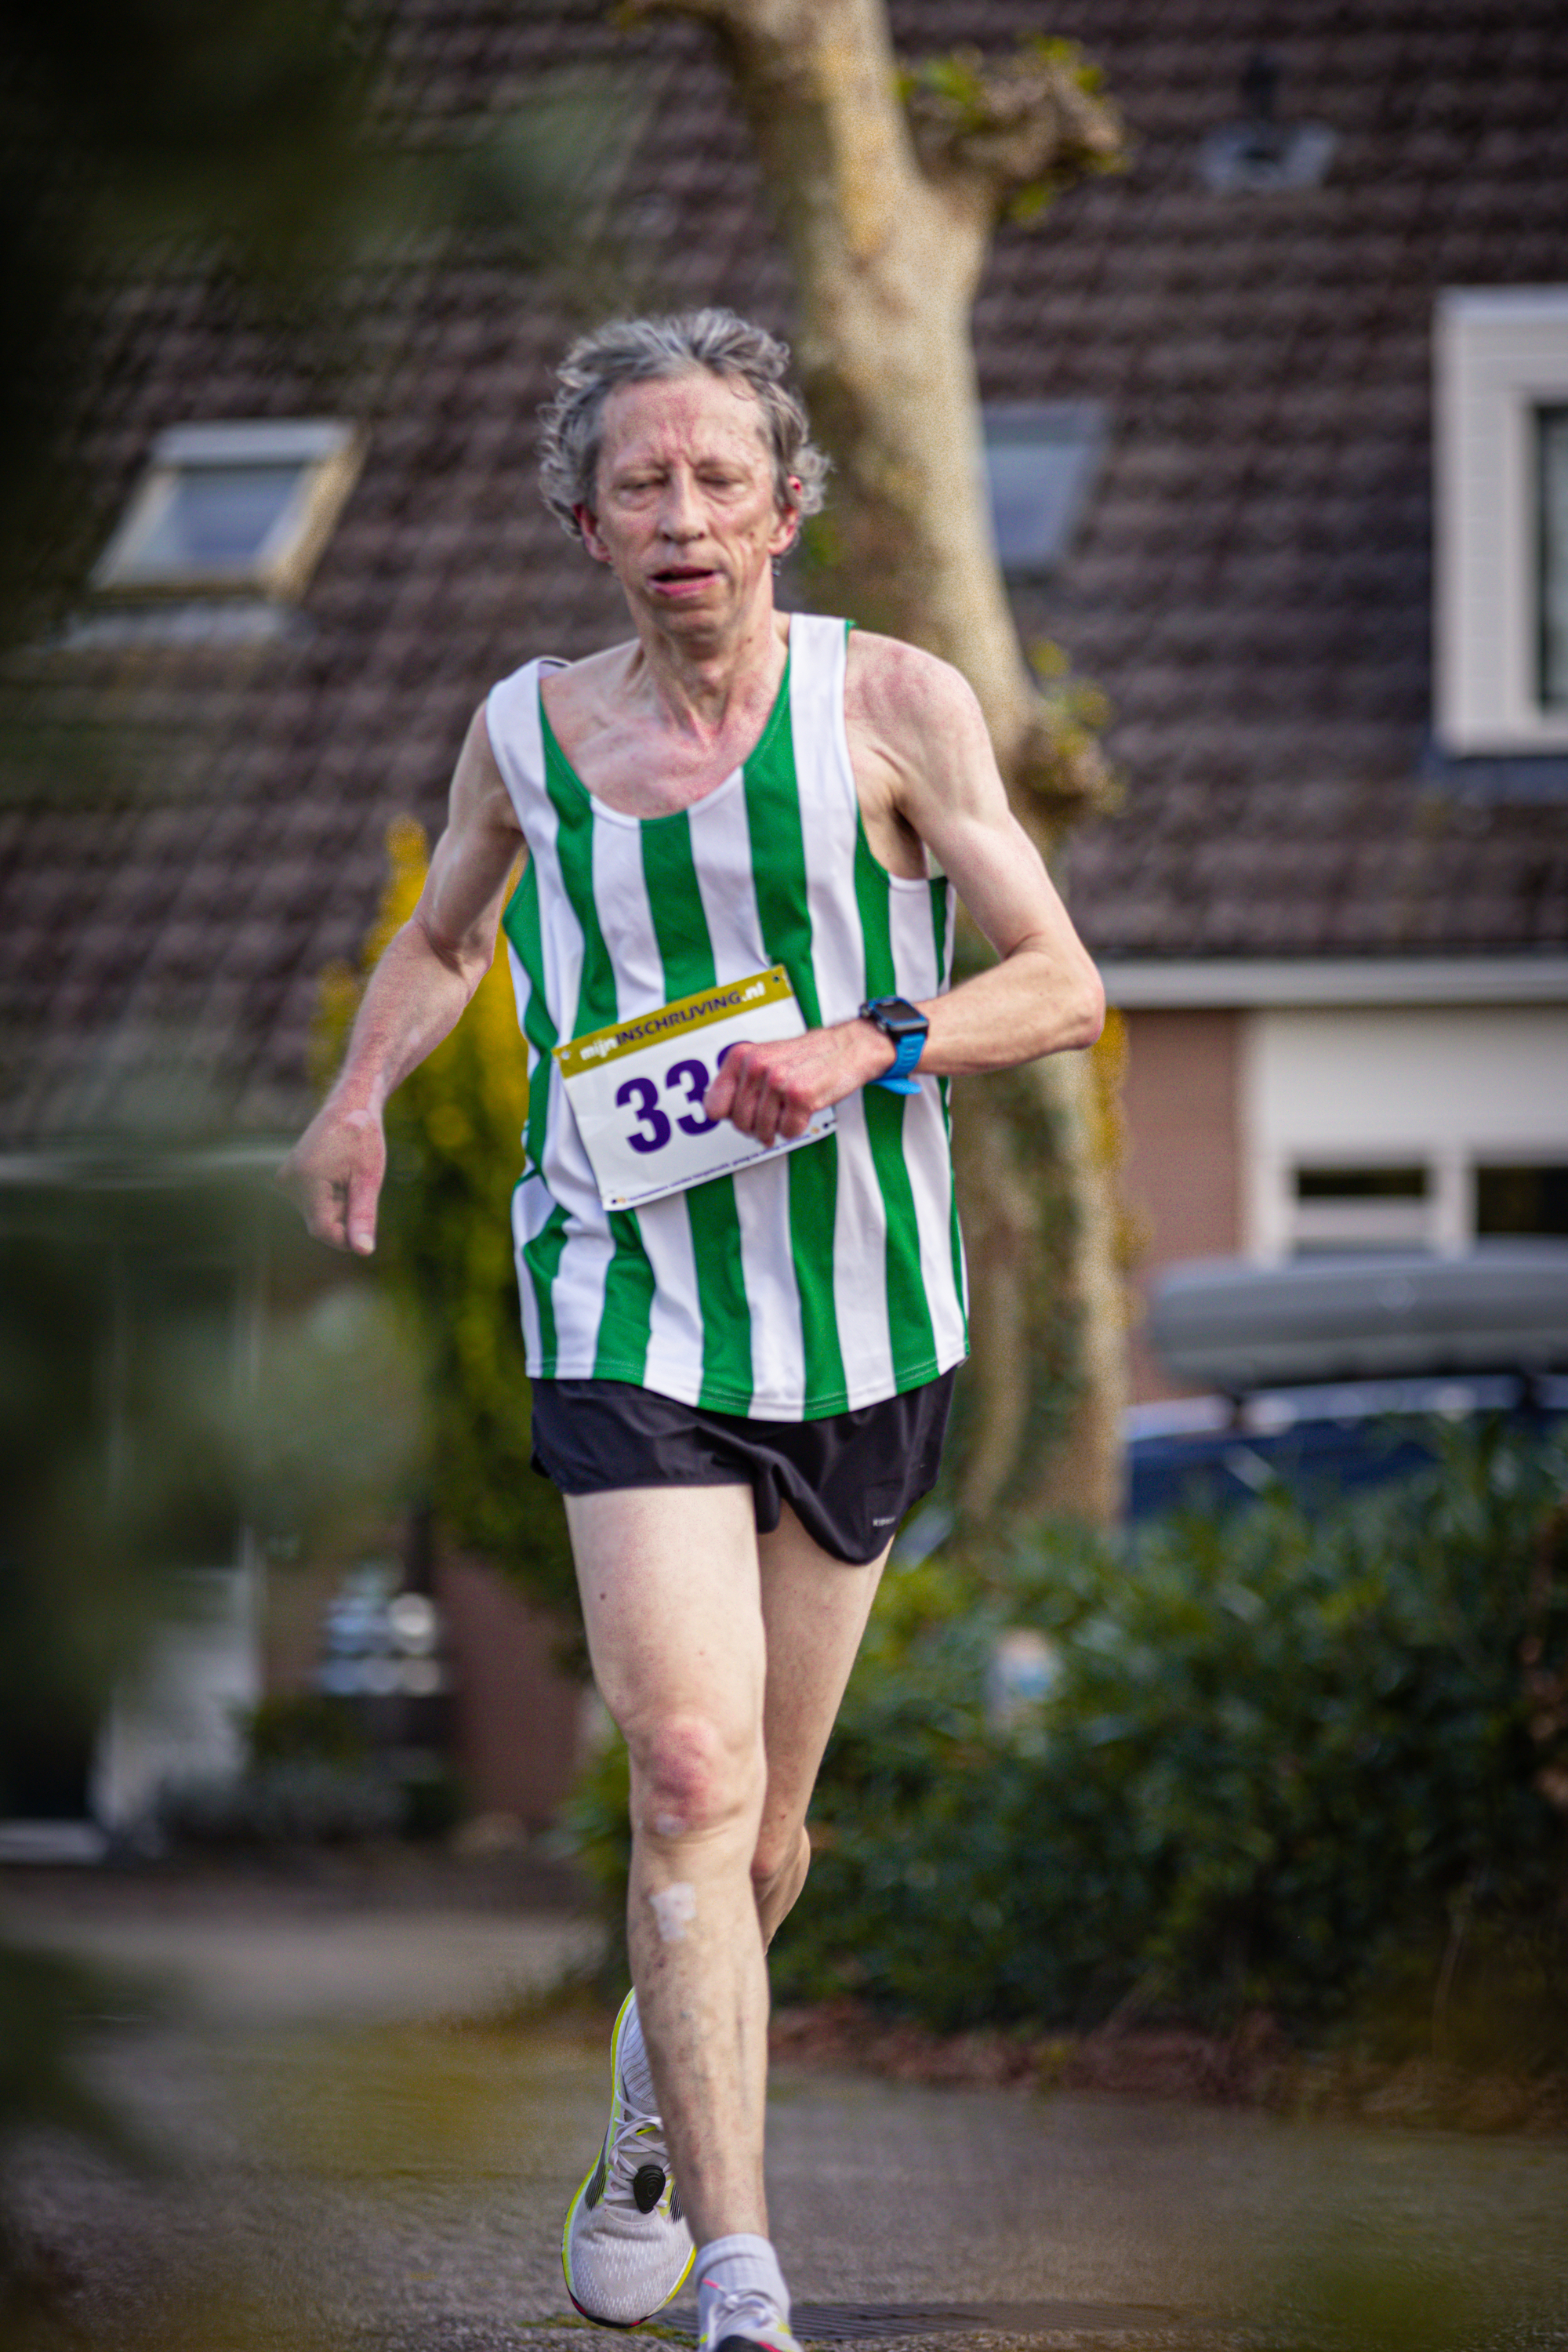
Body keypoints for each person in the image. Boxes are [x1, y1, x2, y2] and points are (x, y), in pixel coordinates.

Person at [279, 309, 1104, 2352]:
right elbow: (448, 932)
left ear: (788, 505)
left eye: (721, 478)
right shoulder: (525, 735)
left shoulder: (896, 707)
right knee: (687, 1771)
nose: (684, 516)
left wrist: (865, 1041)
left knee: (773, 1832)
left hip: (862, 1324)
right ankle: (741, 2268)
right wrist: (361, 1088)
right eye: (640, 483)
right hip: (622, 1303)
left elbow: (1066, 987)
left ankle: (656, 2099)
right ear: (585, 522)